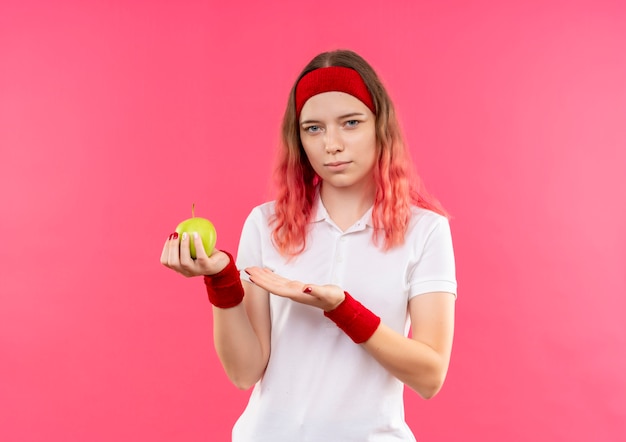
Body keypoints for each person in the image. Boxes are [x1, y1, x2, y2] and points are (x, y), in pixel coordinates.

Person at [160, 49, 457, 441]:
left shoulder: (425, 231)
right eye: (313, 128)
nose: (331, 144)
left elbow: (430, 375)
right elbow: (244, 372)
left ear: (379, 126)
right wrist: (222, 281)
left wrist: (341, 307)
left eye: (350, 123)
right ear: (298, 138)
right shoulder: (266, 224)